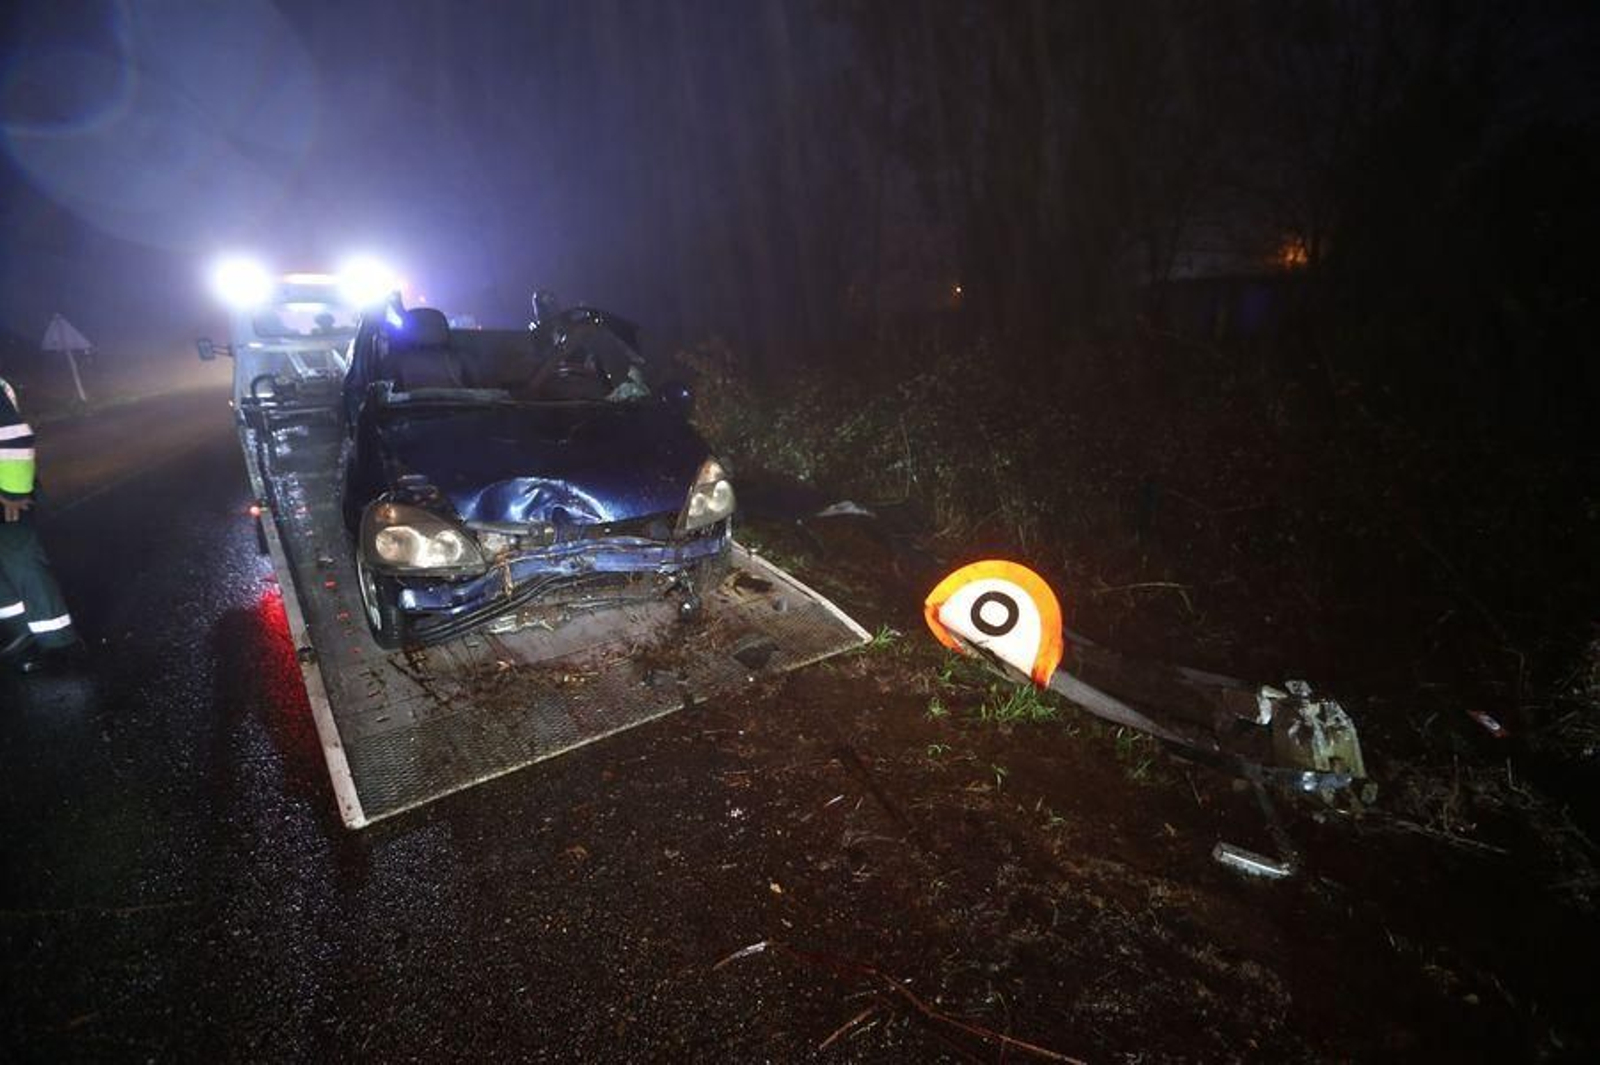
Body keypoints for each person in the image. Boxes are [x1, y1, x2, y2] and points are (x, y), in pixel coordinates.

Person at [0, 376, 82, 673]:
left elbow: (14, 436)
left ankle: (58, 644)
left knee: (22, 562)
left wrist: (13, 494)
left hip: (7, 494)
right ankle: (22, 632)